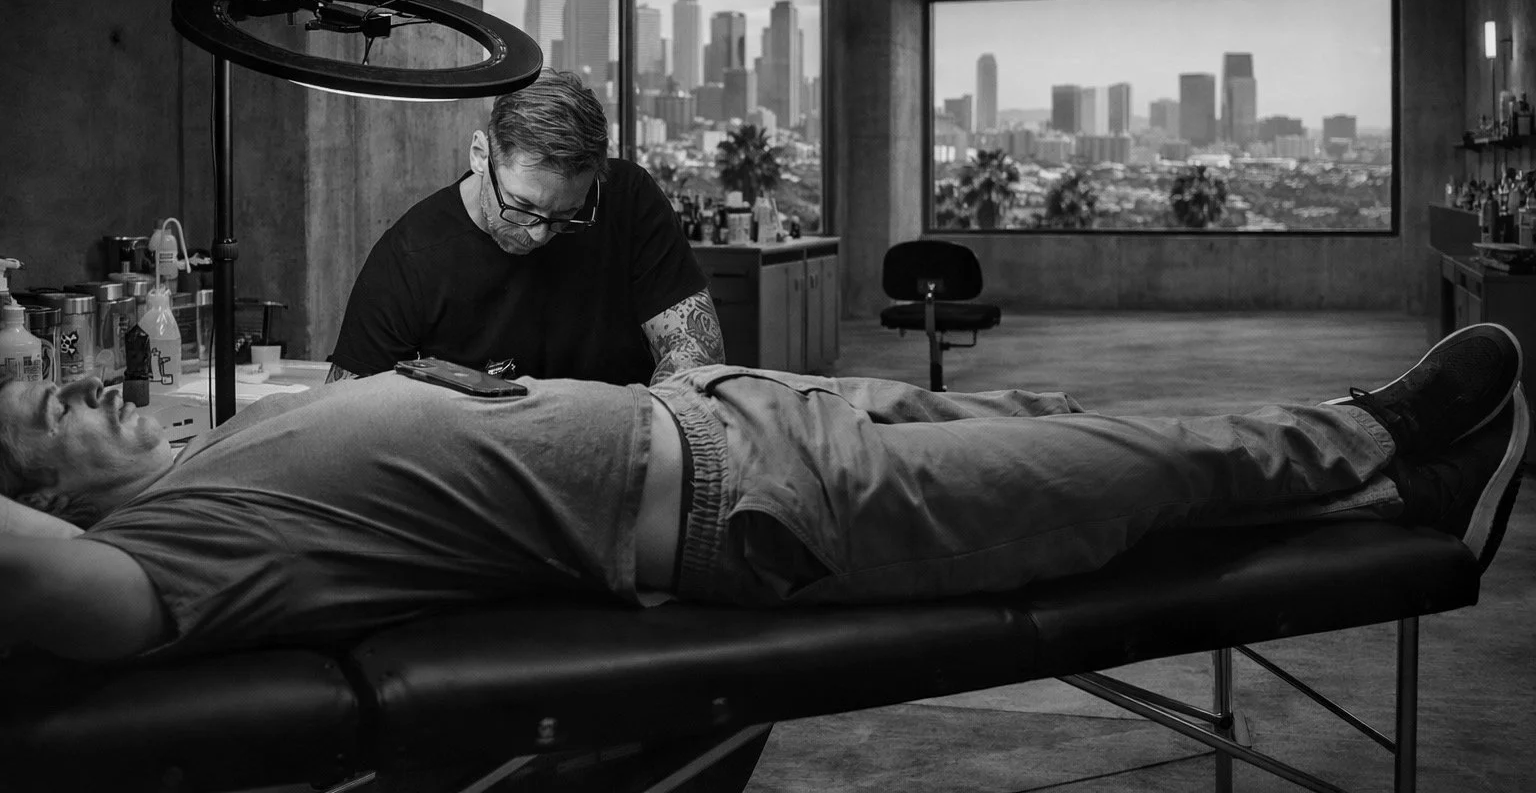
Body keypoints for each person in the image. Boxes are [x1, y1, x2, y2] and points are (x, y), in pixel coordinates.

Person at [0, 324, 1526, 663]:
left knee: (1064, 429)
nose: (62, 386)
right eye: (29, 404)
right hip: (761, 518)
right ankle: (1377, 436)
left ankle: (1391, 482)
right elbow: (59, 597)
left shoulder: (202, 445)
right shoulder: (162, 557)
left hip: (743, 414)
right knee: (1129, 470)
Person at [327, 69, 724, 386]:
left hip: (623, 464)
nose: (539, 234)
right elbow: (345, 420)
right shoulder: (410, 258)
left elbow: (696, 361)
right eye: (521, 206)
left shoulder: (628, 199)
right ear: (481, 154)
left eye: (567, 214)